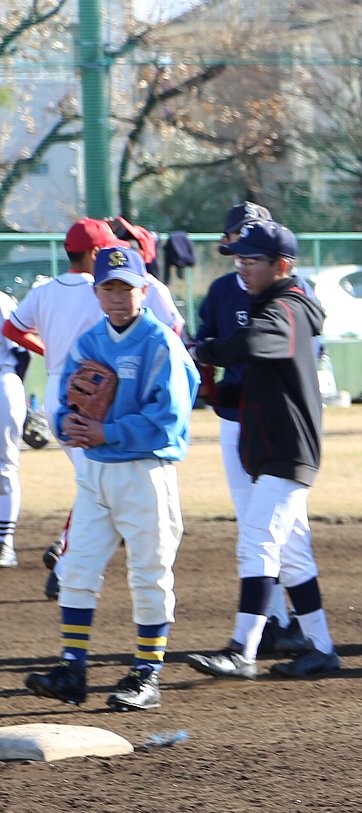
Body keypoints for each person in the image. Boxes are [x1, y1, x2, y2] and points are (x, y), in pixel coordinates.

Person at [23, 247, 199, 711]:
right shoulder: (90, 342)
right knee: (76, 567)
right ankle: (72, 670)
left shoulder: (160, 342)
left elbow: (171, 419)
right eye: (109, 287)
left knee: (149, 574)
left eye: (127, 287)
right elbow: (64, 404)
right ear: (97, 292)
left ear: (143, 289)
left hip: (145, 471)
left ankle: (147, 674)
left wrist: (107, 430)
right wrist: (69, 426)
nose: (118, 297)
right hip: (96, 472)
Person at [185, 220, 343, 681]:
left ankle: (242, 649)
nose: (243, 267)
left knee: (257, 543)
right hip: (275, 447)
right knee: (292, 555)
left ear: (282, 266)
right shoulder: (277, 306)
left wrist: (208, 350)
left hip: (287, 451)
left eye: (252, 260)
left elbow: (255, 343)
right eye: (240, 258)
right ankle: (321, 648)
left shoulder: (287, 309)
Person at [191, 201, 311, 657]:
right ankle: (277, 620)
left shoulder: (288, 293)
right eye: (240, 237)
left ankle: (295, 626)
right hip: (234, 419)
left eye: (254, 237)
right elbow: (206, 350)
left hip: (277, 423)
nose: (243, 249)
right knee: (255, 526)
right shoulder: (223, 290)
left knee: (287, 531)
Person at [3, 219, 133, 599]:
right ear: (94, 253)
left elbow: (12, 329)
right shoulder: (101, 292)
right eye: (106, 248)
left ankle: (68, 553)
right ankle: (68, 559)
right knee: (98, 482)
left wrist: (48, 350)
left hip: (60, 387)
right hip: (93, 389)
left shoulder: (45, 290)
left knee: (95, 479)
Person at [0, 291, 24, 568]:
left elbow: (20, 351)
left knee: (4, 467)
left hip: (3, 379)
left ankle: (5, 543)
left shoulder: (2, 302)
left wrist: (16, 393)